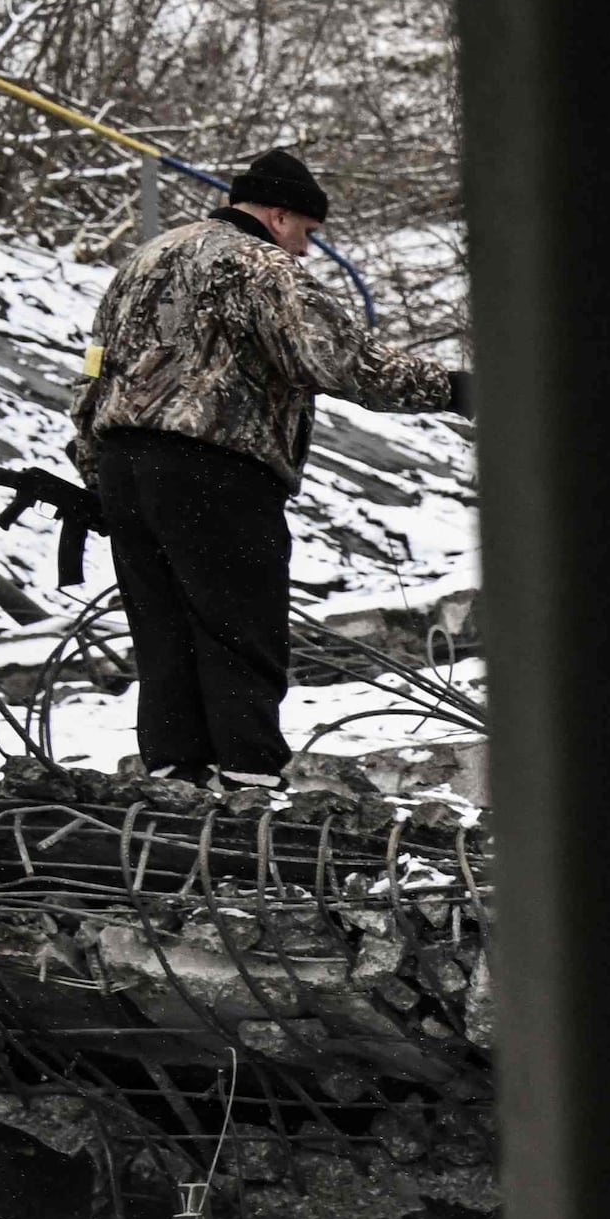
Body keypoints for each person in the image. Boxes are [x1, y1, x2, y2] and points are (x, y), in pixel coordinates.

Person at [71, 145, 465, 779]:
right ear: (280, 216)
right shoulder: (260, 266)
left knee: (163, 637)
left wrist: (95, 467)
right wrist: (454, 388)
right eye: (307, 233)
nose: (306, 250)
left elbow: (91, 371)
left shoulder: (141, 263)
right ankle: (251, 784)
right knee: (239, 631)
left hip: (125, 465)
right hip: (218, 468)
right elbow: (345, 361)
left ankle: (176, 783)